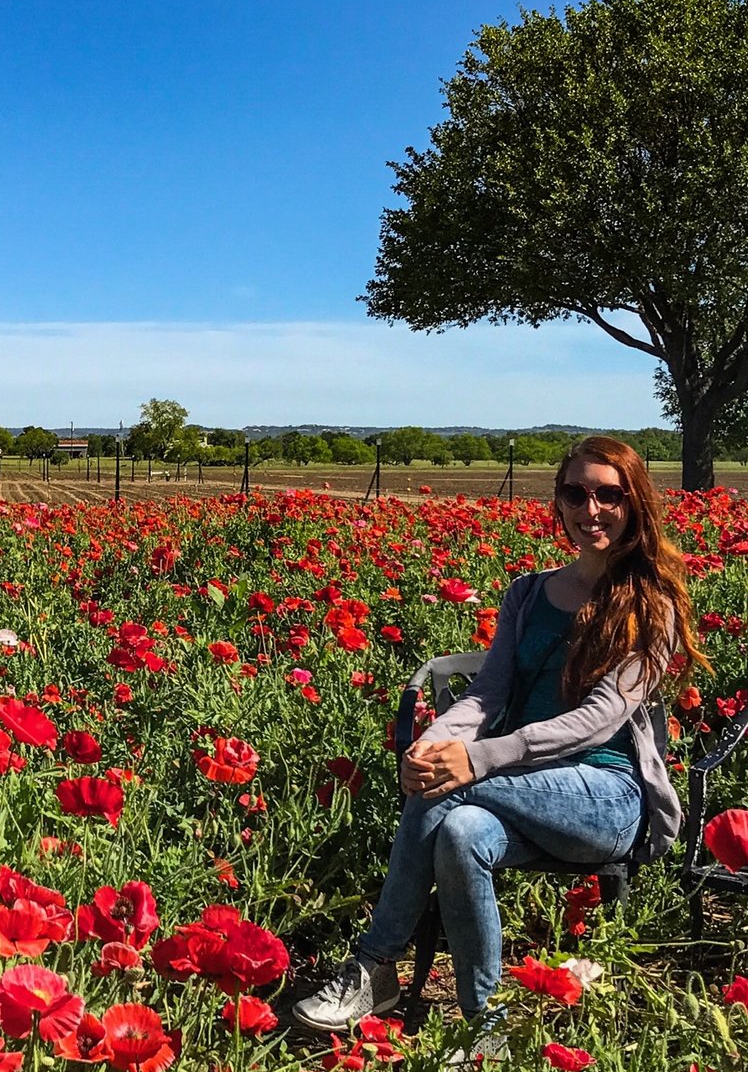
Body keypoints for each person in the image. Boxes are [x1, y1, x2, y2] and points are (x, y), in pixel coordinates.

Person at [290, 435, 701, 1034]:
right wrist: (434, 743)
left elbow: (599, 719)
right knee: (459, 831)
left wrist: (475, 761)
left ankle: (376, 963)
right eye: (576, 493)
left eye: (608, 495)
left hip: (607, 797)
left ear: (634, 502)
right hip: (517, 788)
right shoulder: (529, 593)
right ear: (558, 502)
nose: (592, 510)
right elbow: (487, 696)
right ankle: (484, 1021)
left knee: (449, 791)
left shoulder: (650, 603)